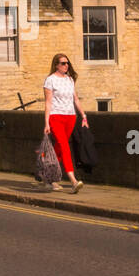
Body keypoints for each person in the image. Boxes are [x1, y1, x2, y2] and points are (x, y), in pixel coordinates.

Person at [42, 52, 88, 193]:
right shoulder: (50, 80)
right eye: (63, 63)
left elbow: (76, 99)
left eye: (67, 63)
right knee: (64, 146)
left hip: (70, 117)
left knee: (60, 148)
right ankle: (73, 180)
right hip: (56, 117)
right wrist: (46, 123)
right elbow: (48, 103)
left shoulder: (69, 80)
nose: (66, 65)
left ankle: (48, 176)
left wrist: (83, 116)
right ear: (56, 65)